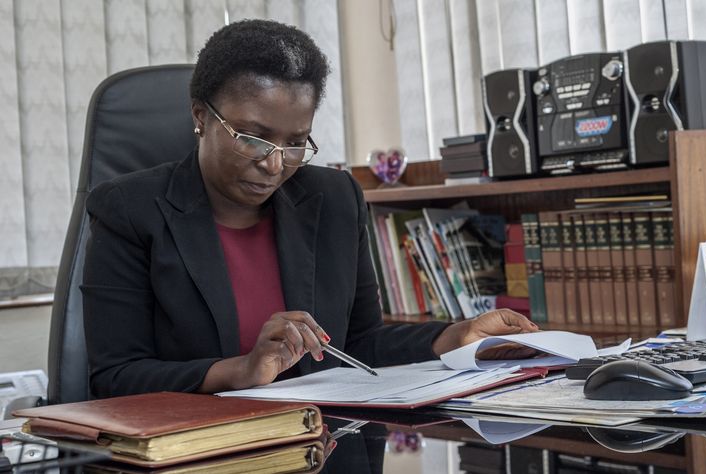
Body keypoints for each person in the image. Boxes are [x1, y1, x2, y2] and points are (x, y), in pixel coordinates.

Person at [82, 19, 538, 399]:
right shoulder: (128, 210)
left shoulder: (334, 199)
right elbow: (115, 377)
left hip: (317, 444)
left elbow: (359, 344)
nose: (274, 163)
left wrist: (453, 337)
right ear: (201, 116)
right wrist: (239, 371)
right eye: (253, 137)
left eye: (296, 143)